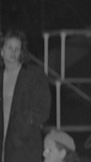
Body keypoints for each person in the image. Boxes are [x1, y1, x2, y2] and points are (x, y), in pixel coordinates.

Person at [0, 29, 51, 162]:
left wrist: (25, 123)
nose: (14, 52)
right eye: (10, 47)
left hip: (24, 146)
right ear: (1, 50)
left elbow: (44, 108)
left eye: (17, 48)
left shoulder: (34, 75)